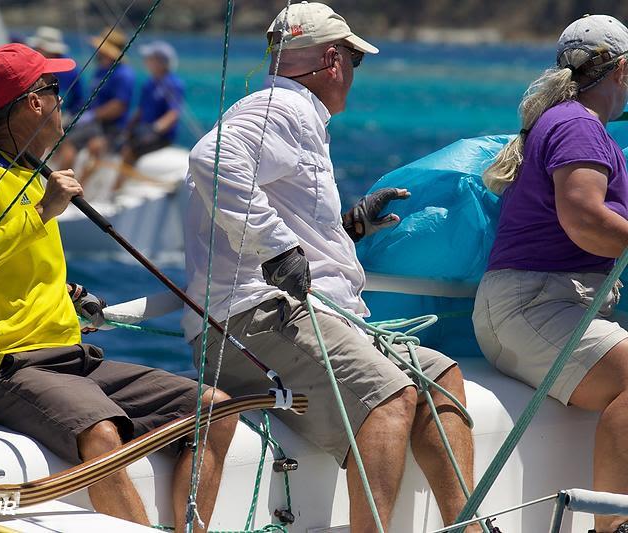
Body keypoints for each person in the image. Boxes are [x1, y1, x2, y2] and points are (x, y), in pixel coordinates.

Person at [184, 3, 480, 532]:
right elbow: (213, 160)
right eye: (354, 60)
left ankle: (467, 527)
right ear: (331, 59)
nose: (353, 73)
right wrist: (275, 249)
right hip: (255, 320)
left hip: (308, 317)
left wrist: (349, 227)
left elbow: (277, 203)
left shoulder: (295, 115)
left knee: (440, 375)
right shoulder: (282, 109)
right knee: (391, 396)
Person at [0, 43, 236, 532]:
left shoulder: (31, 170)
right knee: (101, 433)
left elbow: (15, 264)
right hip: (7, 368)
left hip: (69, 357)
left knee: (216, 408)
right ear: (34, 101)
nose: (62, 101)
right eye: (54, 90)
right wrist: (41, 213)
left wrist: (63, 290)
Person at [473, 14, 628, 533]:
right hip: (536, 307)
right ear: (622, 72)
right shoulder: (579, 124)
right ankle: (613, 528)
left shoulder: (564, 120)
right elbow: (584, 218)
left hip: (525, 306)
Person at [59, 29, 136, 179]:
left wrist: (93, 115)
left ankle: (81, 190)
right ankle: (64, 181)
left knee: (95, 147)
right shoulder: (100, 70)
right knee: (66, 142)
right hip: (94, 124)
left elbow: (119, 106)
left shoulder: (124, 74)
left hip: (111, 127)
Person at [27, 26, 85, 117]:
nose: (36, 51)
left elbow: (79, 99)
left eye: (40, 48)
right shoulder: (34, 65)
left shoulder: (70, 71)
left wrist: (69, 115)